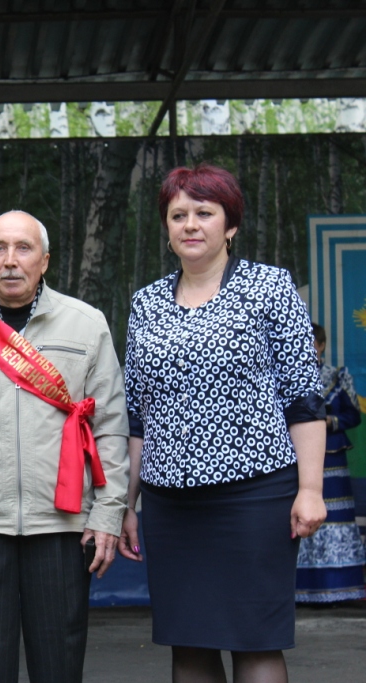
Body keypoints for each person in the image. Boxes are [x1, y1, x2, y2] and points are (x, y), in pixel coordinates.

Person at [120, 163, 327, 683]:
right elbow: (138, 415)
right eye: (178, 215)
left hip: (256, 498)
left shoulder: (270, 287)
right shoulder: (145, 303)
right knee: (189, 644)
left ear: (230, 224)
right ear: (167, 227)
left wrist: (310, 490)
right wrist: (126, 503)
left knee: (256, 641)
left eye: (204, 213)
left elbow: (304, 400)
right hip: (170, 504)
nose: (190, 225)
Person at [0, 210, 129, 683]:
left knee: (59, 667)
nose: (11, 260)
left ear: (45, 260)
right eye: (0, 248)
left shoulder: (86, 325)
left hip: (63, 524)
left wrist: (108, 513)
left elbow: (111, 426)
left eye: (24, 248)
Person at [295, 324, 366, 603]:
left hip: (332, 457)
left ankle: (338, 588)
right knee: (300, 516)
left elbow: (353, 415)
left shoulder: (337, 376)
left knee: (333, 517)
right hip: (298, 457)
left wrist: (328, 422)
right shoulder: (289, 375)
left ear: (322, 345)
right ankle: (301, 590)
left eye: (312, 343)